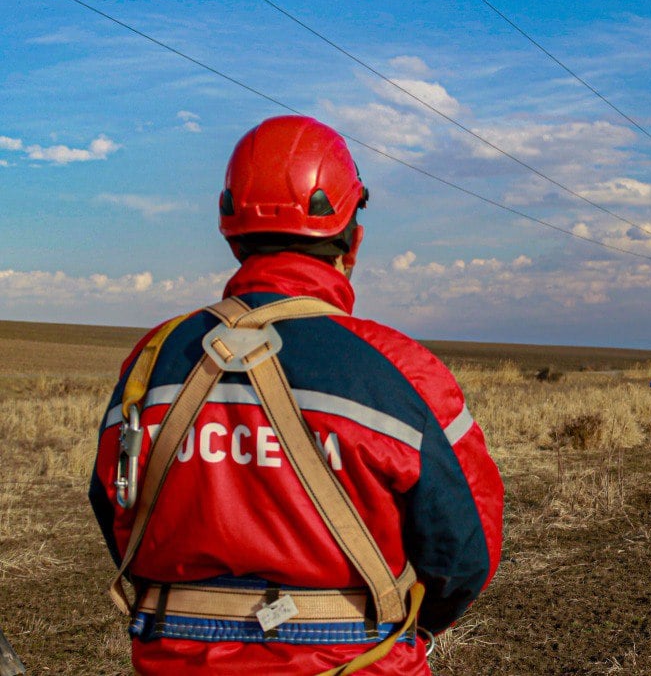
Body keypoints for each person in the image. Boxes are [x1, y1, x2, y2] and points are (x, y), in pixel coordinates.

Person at [88, 115, 504, 675]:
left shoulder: (152, 359)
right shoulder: (400, 370)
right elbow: (462, 552)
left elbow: (114, 505)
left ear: (231, 232)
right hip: (359, 661)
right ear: (352, 238)